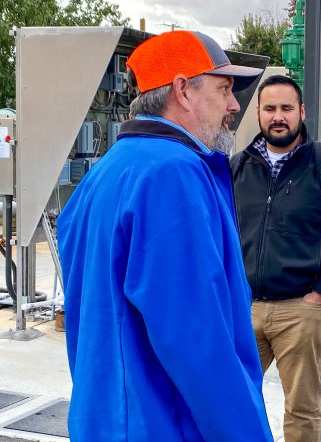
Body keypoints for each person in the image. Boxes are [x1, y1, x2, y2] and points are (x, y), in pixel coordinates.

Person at [57, 31, 273, 442]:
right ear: (182, 91)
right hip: (164, 424)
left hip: (106, 418)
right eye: (224, 88)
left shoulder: (104, 173)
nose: (233, 105)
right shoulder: (172, 175)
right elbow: (197, 340)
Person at [230, 74, 321, 442]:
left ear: (301, 112)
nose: (278, 116)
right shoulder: (236, 168)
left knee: (302, 409)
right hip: (246, 309)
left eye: (286, 108)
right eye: (270, 108)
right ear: (258, 113)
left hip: (302, 311)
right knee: (233, 400)